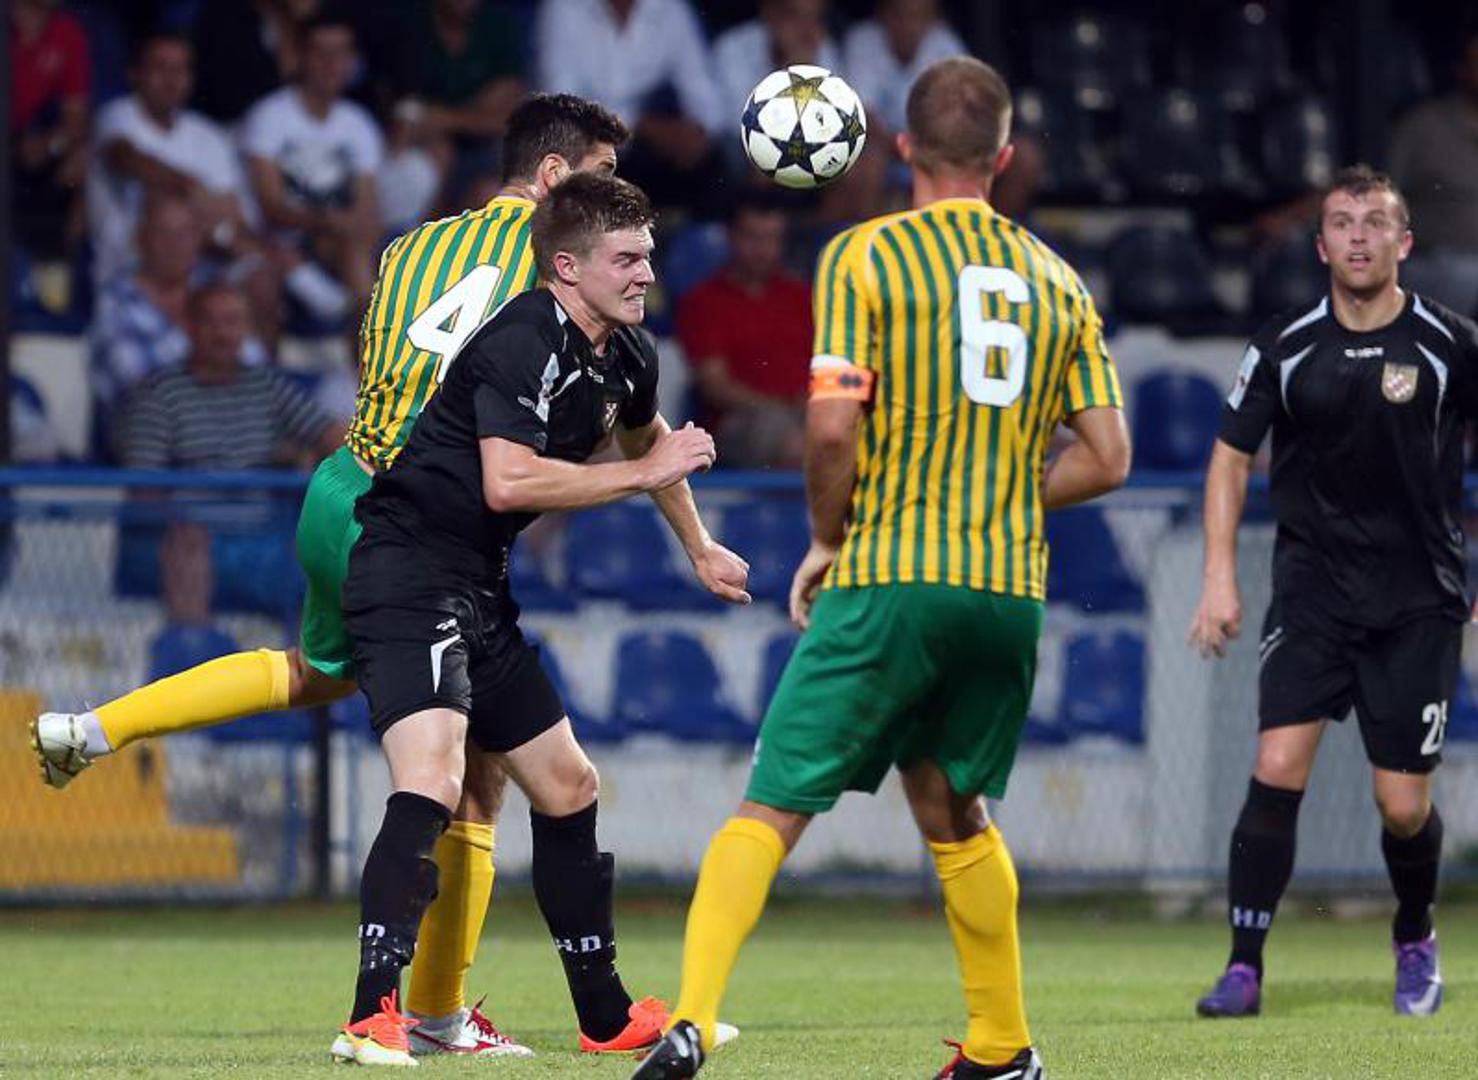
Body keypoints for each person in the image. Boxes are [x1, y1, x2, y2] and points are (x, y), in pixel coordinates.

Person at [30, 93, 631, 1060]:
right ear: (554, 177)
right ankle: (430, 1013)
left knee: (313, 672)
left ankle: (95, 727)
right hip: (411, 521)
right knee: (468, 777)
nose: (612, 206)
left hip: (339, 483)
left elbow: (388, 358)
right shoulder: (552, 261)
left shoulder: (408, 246)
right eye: (600, 179)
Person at [632, 55, 1129, 1080]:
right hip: (1006, 591)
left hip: (893, 572)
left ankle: (692, 1019)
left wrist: (827, 538)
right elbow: (1109, 456)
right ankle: (1002, 1047)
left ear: (902, 148)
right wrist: (999, 496)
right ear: (1003, 158)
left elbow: (827, 429)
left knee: (773, 801)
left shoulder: (866, 254)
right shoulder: (1057, 278)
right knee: (954, 807)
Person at [332, 172, 750, 1066]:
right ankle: (371, 1015)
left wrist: (700, 547)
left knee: (569, 785)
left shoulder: (626, 352)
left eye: (648, 256)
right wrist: (642, 475)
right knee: (433, 780)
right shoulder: (521, 339)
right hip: (406, 573)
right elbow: (509, 481)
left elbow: (646, 440)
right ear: (567, 266)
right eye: (625, 259)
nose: (646, 274)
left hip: (477, 586)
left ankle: (604, 1016)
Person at [1189, 165, 1478, 1020]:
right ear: (1319, 246)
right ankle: (1243, 968)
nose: (1359, 236)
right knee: (1277, 766)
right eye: (1343, 223)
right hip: (1313, 594)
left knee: (1401, 805)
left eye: (1374, 222)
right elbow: (1229, 457)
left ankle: (1415, 936)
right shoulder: (1284, 344)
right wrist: (1218, 577)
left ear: (1404, 242)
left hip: (1419, 600)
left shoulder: (1451, 342)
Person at [239, 14, 383, 314]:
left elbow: (367, 208)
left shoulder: (359, 123)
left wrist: (343, 226)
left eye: (340, 52)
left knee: (359, 247)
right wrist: (331, 221)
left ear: (351, 61)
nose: (331, 63)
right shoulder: (269, 115)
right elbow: (272, 208)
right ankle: (371, 326)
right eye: (321, 52)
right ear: (300, 56)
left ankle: (366, 325)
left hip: (337, 243)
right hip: (277, 242)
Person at [675, 193, 811, 468]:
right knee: (796, 443)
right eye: (753, 237)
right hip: (740, 419)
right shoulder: (703, 302)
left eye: (772, 239)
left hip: (806, 411)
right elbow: (715, 386)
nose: (763, 249)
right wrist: (779, 406)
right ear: (731, 237)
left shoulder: (803, 296)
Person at [1388, 27, 1478, 315]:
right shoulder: (1423, 126)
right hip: (1438, 263)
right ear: (1461, 70)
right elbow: (1382, 194)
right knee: (1466, 275)